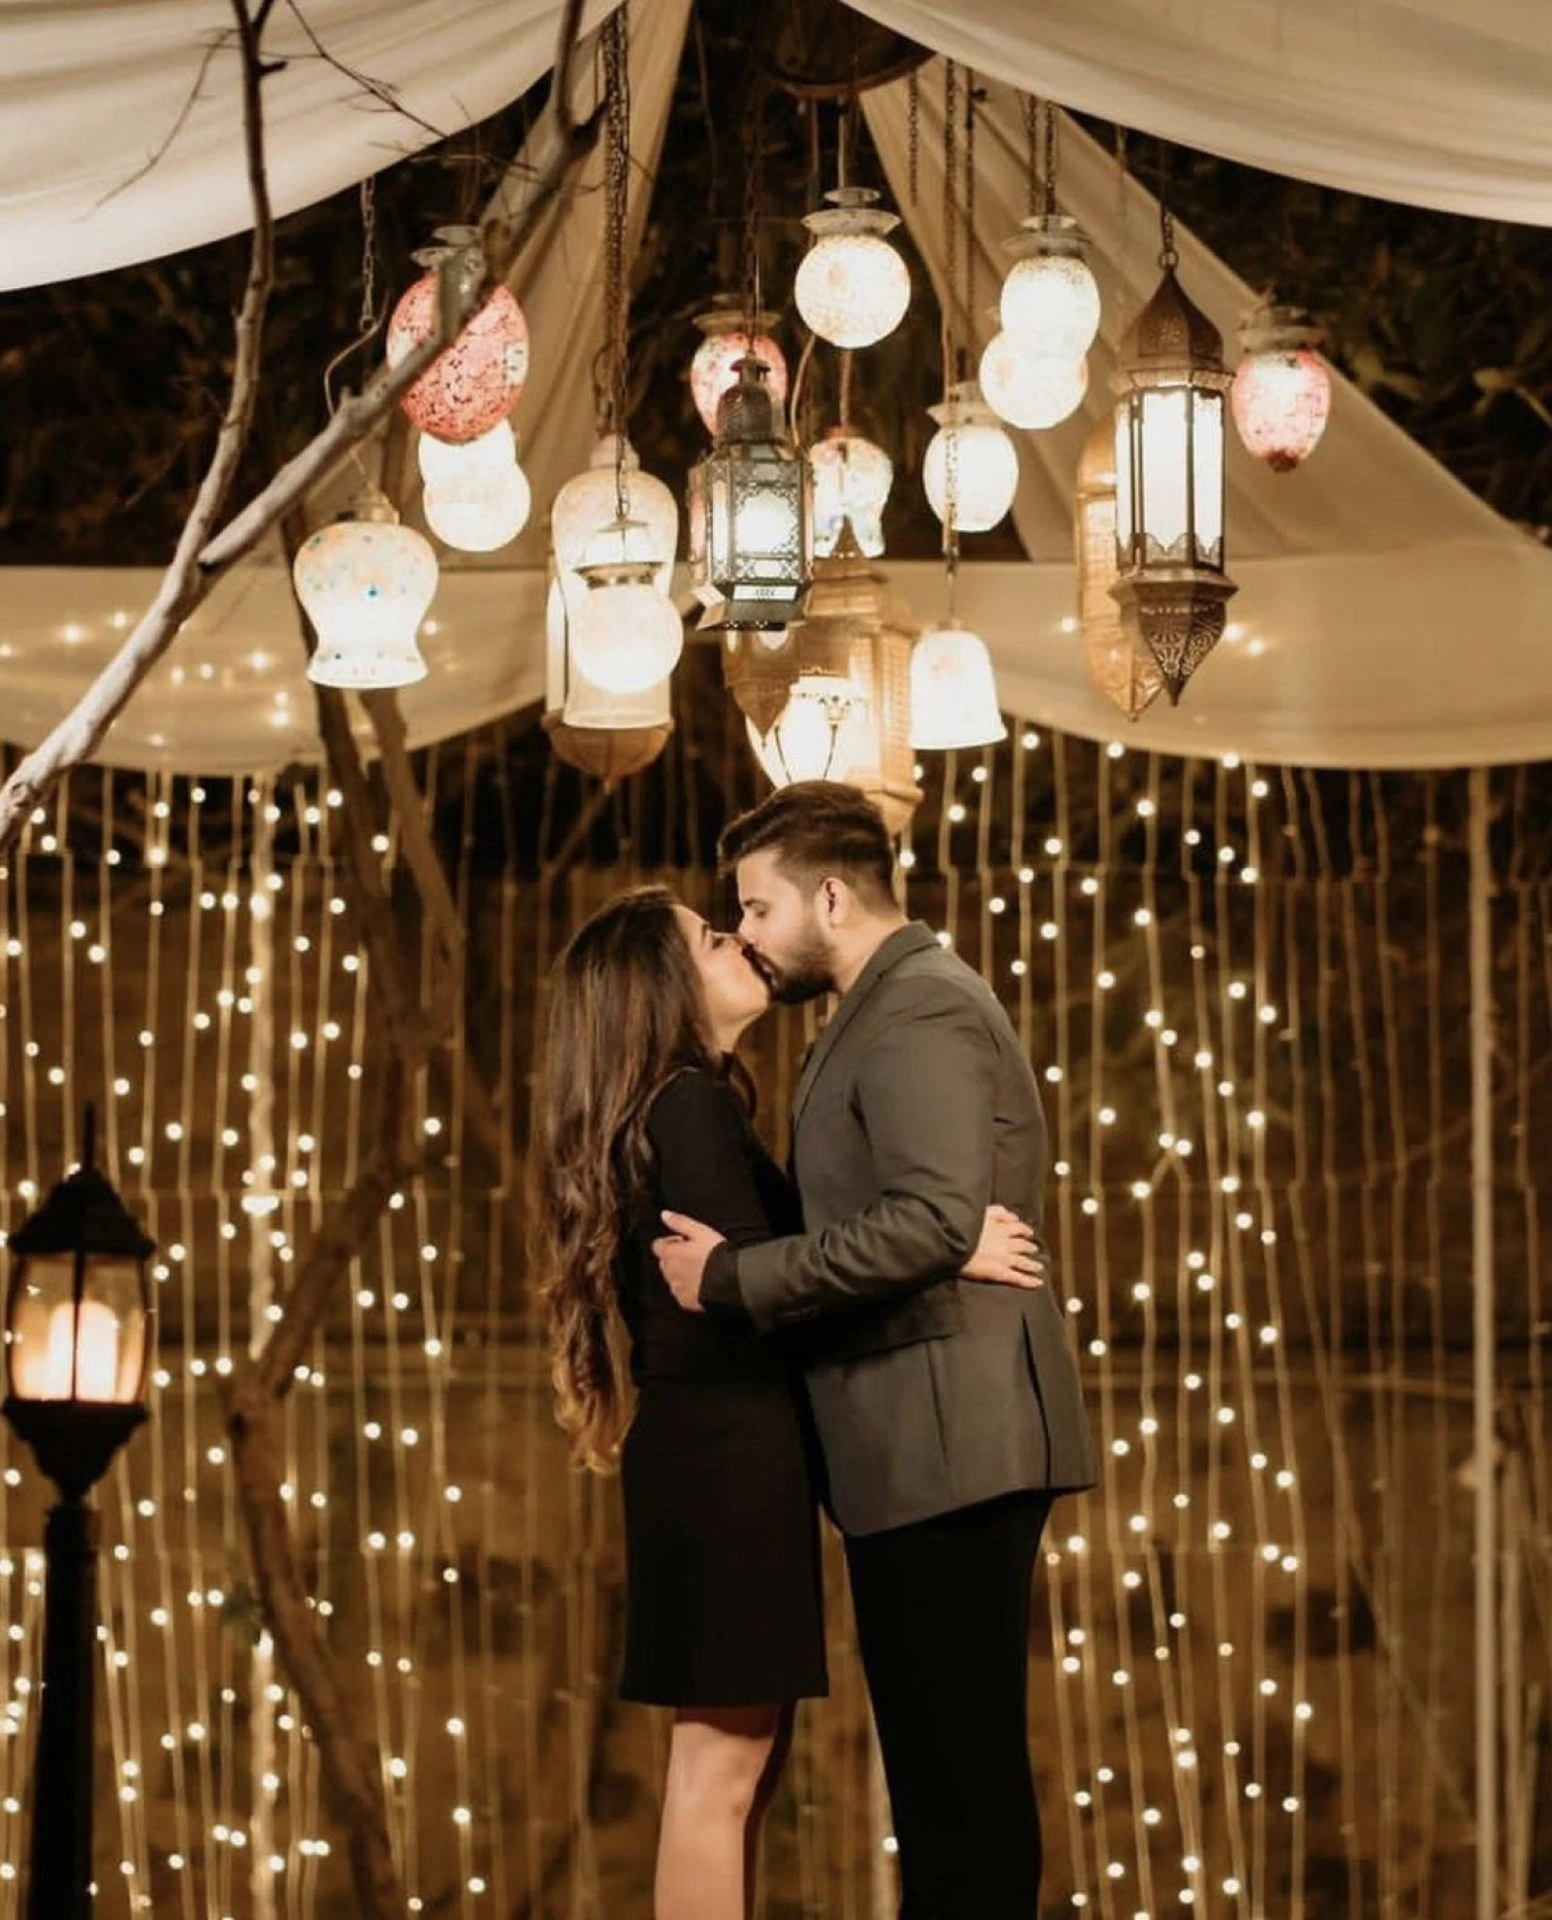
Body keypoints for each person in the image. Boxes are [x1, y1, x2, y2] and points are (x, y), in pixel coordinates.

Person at [527, 883, 1047, 1920]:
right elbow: (767, 1290)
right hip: (724, 1464)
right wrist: (944, 1248)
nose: (743, 944)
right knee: (721, 1770)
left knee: (741, 1767)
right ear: (661, 988)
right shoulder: (686, 1106)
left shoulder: (689, 1106)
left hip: (725, 1459)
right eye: (714, 938)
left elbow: (771, 1271)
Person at [653, 783, 1099, 1920]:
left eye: (757, 908)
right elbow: (932, 1220)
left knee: (959, 1784)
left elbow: (929, 1214)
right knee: (944, 1782)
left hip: (950, 1438)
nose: (746, 933)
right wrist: (942, 1238)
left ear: (832, 899)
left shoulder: (916, 1010)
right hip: (920, 1443)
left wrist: (734, 1277)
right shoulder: (878, 1010)